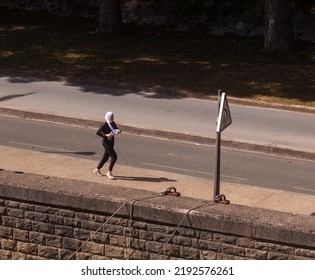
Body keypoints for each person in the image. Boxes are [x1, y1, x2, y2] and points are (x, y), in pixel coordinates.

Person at [93, 111, 121, 179]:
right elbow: (98, 132)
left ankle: (97, 169)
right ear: (108, 117)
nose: (113, 117)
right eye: (111, 116)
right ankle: (109, 172)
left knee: (105, 157)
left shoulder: (112, 123)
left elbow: (115, 128)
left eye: (113, 116)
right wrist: (106, 135)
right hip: (106, 143)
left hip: (111, 142)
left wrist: (118, 131)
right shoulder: (105, 125)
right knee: (114, 157)